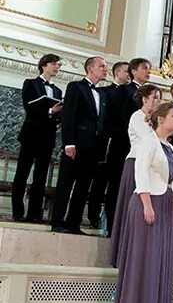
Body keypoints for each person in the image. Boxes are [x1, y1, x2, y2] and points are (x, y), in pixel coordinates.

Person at [112, 103, 173, 303]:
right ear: (160, 119)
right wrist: (147, 205)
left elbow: (171, 182)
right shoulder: (148, 142)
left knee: (161, 257)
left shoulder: (169, 147)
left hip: (165, 203)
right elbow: (140, 174)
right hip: (147, 201)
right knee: (144, 256)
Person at [51, 56, 109, 235]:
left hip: (93, 149)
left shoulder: (102, 93)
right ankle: (58, 222)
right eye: (102, 66)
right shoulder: (76, 87)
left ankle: (73, 223)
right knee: (65, 184)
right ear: (90, 69)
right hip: (75, 146)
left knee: (83, 187)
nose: (105, 69)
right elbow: (68, 116)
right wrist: (68, 143)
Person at [107, 84, 160, 267]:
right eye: (155, 98)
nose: (158, 102)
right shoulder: (138, 116)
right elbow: (148, 139)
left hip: (150, 167)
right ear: (145, 99)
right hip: (136, 163)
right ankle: (123, 253)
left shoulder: (153, 120)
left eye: (160, 98)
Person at [12, 53, 63, 223]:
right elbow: (29, 107)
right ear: (44, 65)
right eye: (55, 64)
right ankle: (17, 211)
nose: (57, 67)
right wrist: (50, 111)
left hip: (47, 137)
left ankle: (34, 213)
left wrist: (59, 114)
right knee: (22, 174)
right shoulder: (30, 83)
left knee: (40, 177)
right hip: (31, 135)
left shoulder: (57, 90)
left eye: (59, 65)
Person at [87, 60, 130, 230]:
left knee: (116, 184)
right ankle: (93, 216)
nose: (129, 75)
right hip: (106, 142)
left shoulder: (131, 93)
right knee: (99, 181)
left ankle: (112, 219)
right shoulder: (103, 91)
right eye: (126, 72)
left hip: (123, 143)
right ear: (117, 73)